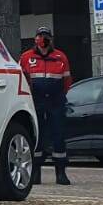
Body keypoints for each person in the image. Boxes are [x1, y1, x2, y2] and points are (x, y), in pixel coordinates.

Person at [20, 27, 73, 186]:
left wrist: (59, 96)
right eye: (40, 36)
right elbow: (20, 79)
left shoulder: (60, 57)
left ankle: (61, 173)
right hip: (35, 101)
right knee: (37, 137)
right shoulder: (26, 57)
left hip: (56, 101)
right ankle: (35, 173)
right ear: (36, 39)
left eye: (46, 36)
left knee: (59, 136)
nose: (43, 39)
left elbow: (67, 81)